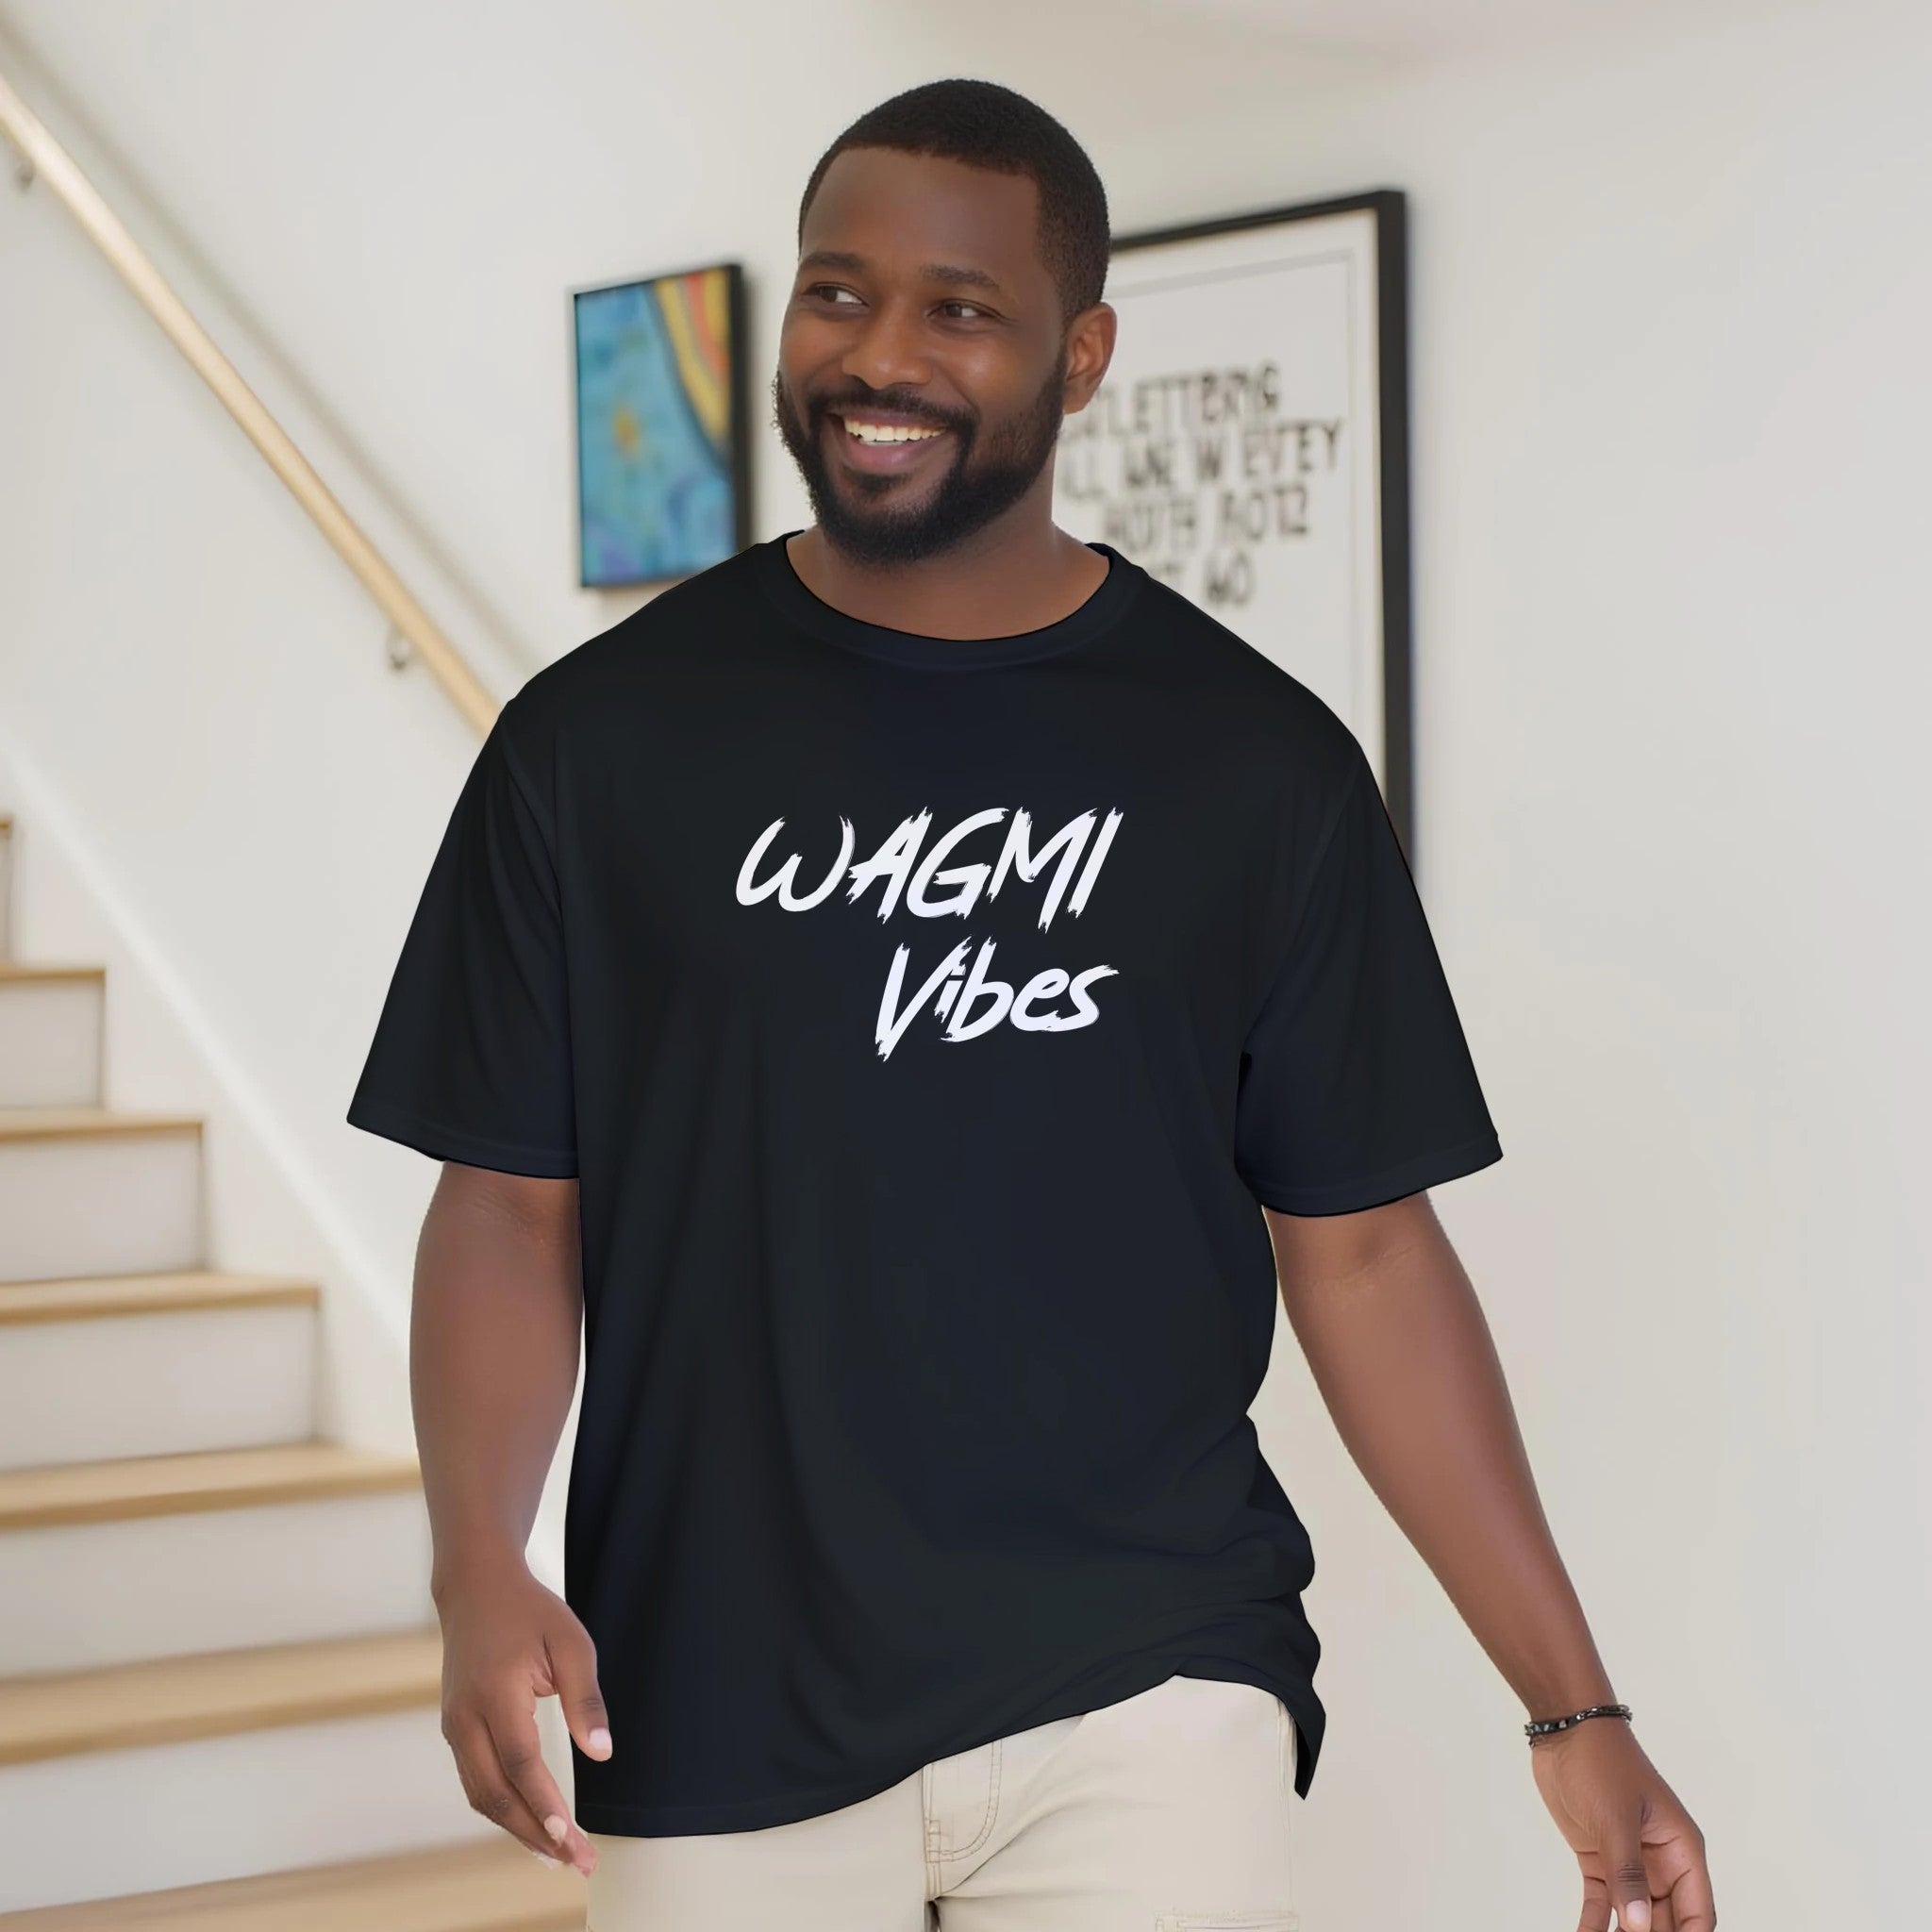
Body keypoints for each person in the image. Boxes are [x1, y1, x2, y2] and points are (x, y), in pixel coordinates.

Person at [346, 76, 1714, 1932]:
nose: (877, 353)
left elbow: (1370, 1257)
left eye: (956, 309)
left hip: (1145, 1679)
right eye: (838, 293)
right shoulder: (599, 747)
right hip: (713, 1692)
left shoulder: (1256, 768)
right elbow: (510, 1204)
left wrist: (1575, 1704)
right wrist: (472, 1564)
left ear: (1081, 358)